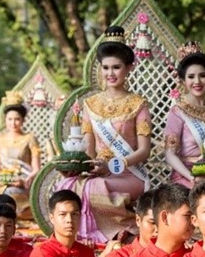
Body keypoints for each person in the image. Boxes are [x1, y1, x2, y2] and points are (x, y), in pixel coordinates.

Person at [59, 26, 153, 243]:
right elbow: (89, 149)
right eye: (106, 67)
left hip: (130, 174)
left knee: (93, 188)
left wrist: (112, 167)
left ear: (129, 68)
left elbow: (144, 151)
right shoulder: (90, 105)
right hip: (100, 172)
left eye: (117, 67)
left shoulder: (139, 104)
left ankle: (119, 233)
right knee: (67, 185)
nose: (110, 73)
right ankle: (79, 238)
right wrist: (86, 167)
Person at [164, 42, 205, 188]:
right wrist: (192, 177)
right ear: (183, 81)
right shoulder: (178, 112)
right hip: (187, 176)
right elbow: (170, 154)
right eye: (191, 77)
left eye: (202, 76)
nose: (197, 81)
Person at [0, 94, 42, 219]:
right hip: (3, 180)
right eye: (10, 119)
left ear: (23, 120)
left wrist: (24, 181)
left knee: (12, 195)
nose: (13, 123)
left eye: (17, 119)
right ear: (5, 120)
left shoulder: (30, 139)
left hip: (24, 182)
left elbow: (36, 169)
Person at [105, 191, 159, 257]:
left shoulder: (179, 256)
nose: (158, 229)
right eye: (152, 222)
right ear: (138, 220)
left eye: (164, 223)